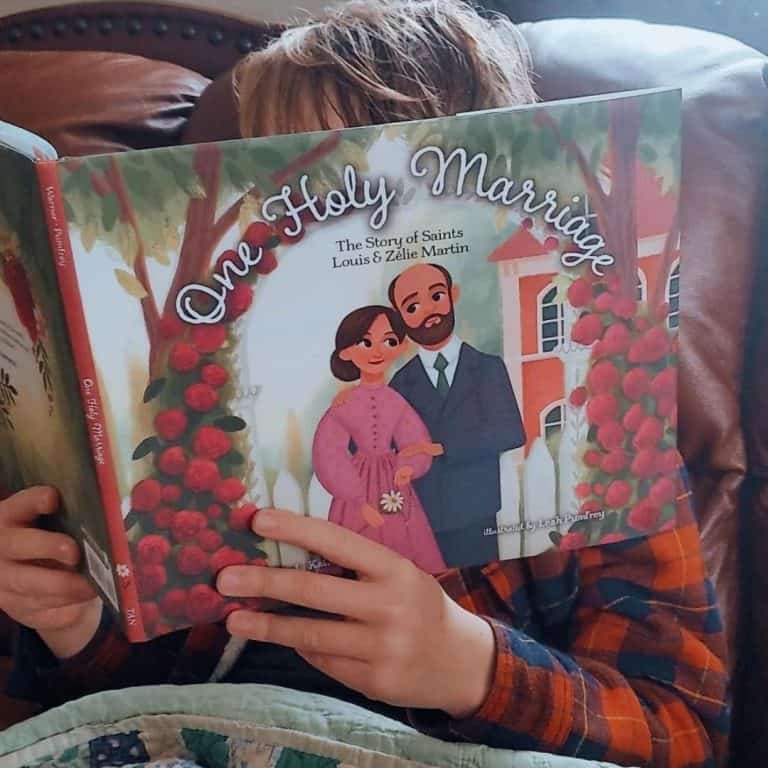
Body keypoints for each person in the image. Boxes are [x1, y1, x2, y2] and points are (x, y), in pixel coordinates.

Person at [3, 2, 728, 767]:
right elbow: (149, 705)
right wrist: (74, 626)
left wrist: (475, 668)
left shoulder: (609, 440)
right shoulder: (246, 435)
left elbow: (683, 735)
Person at [387, 263, 525, 566]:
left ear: (453, 295)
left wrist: (443, 446)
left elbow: (511, 432)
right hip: (425, 514)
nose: (427, 310)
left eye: (436, 296)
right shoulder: (399, 384)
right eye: (412, 306)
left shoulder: (487, 368)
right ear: (400, 318)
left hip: (478, 508)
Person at [312, 305, 446, 572]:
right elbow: (329, 453)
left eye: (389, 341)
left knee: (407, 545)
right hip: (357, 485)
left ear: (400, 346)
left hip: (395, 482)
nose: (377, 351)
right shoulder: (344, 403)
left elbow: (413, 437)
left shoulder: (396, 399)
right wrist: (357, 497)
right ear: (347, 352)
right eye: (366, 342)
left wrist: (408, 467)